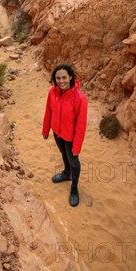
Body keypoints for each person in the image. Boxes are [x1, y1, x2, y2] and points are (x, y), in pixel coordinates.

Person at [42, 64, 88, 207]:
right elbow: (48, 111)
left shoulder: (80, 98)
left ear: (70, 77)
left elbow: (81, 125)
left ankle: (74, 188)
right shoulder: (52, 92)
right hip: (57, 132)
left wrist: (77, 146)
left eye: (64, 78)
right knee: (63, 153)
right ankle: (66, 173)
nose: (61, 81)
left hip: (71, 137)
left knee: (74, 160)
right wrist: (46, 130)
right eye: (58, 78)